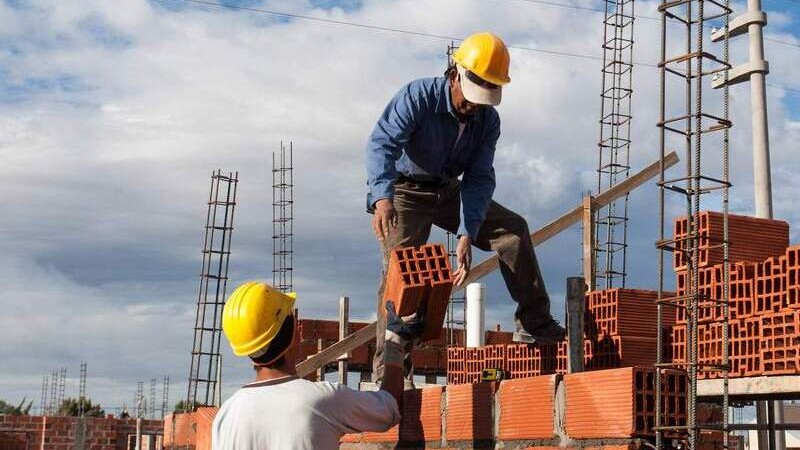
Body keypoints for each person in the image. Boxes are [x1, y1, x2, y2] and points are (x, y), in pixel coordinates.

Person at [365, 32, 566, 383]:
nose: (474, 105)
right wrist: (382, 198)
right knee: (403, 274)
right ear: (455, 74)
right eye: (472, 95)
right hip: (405, 193)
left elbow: (479, 178)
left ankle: (535, 324)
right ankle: (391, 370)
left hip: (448, 190)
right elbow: (381, 144)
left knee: (512, 231)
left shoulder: (488, 121)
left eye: (485, 97)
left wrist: (465, 232)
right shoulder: (418, 97)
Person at [212, 282, 422, 450]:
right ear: (295, 332)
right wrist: (395, 343)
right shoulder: (320, 400)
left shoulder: (226, 415)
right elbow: (387, 408)